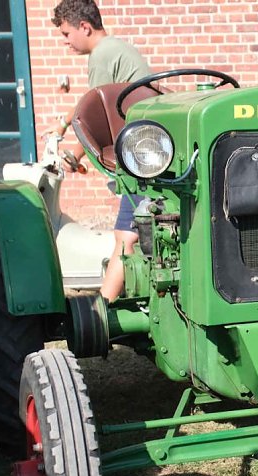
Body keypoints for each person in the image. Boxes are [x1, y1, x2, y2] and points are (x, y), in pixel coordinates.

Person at [50, 0, 150, 302]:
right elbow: (88, 103)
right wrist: (63, 122)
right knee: (129, 236)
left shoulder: (102, 55)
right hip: (144, 150)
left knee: (125, 238)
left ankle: (103, 309)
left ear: (84, 26)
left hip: (142, 158)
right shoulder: (115, 49)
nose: (65, 42)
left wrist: (74, 155)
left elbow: (96, 114)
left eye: (67, 34)